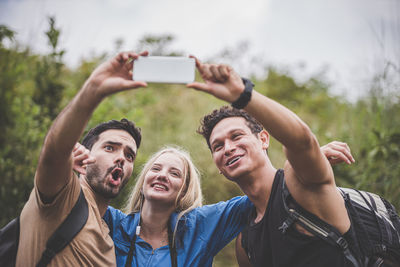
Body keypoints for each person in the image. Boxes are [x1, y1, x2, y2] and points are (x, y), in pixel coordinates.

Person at [188, 58, 358, 266]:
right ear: (218, 165)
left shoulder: (298, 182)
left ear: (263, 139)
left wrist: (242, 95)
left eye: (237, 136)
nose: (229, 148)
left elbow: (301, 141)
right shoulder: (245, 241)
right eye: (218, 146)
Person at [15, 51, 148, 266]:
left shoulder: (110, 235)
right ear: (83, 157)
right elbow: (54, 151)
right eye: (110, 148)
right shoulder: (62, 197)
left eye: (129, 155)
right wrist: (93, 91)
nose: (121, 158)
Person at [103, 146, 252, 267]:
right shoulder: (113, 224)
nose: (162, 175)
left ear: (184, 192)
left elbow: (260, 195)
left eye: (174, 173)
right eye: (155, 169)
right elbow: (83, 194)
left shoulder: (200, 228)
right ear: (142, 183)